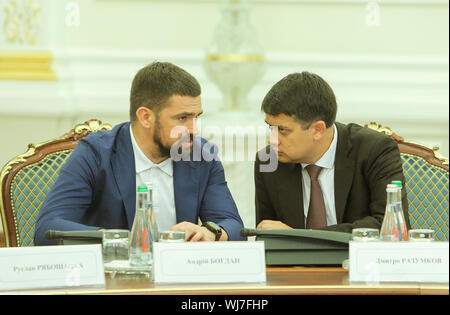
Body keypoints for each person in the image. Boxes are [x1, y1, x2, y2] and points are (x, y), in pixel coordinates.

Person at [35, 62, 245, 245]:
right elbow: (48, 229)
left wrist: (210, 233)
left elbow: (234, 226)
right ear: (145, 117)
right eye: (182, 118)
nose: (194, 130)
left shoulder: (201, 155)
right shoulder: (96, 154)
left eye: (196, 117)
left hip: (179, 281)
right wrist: (118, 240)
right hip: (113, 283)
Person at [254, 71, 409, 233]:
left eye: (282, 130)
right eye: (270, 128)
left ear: (318, 130)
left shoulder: (374, 150)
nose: (271, 140)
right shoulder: (269, 160)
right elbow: (268, 234)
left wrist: (302, 237)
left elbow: (389, 226)